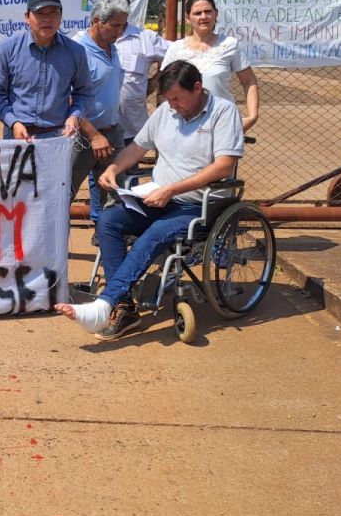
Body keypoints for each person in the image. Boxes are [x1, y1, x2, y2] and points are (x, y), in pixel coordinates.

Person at [55, 60, 244, 340]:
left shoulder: (224, 112)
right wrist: (113, 169)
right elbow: (137, 147)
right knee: (109, 220)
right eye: (167, 100)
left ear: (197, 88)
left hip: (199, 204)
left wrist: (172, 190)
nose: (172, 105)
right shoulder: (166, 112)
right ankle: (124, 306)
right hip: (157, 197)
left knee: (154, 234)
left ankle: (105, 303)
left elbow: (224, 166)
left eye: (178, 98)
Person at [0, 0, 103, 201]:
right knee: (15, 199)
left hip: (57, 139)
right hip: (17, 136)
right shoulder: (8, 49)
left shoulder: (75, 52)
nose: (47, 19)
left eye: (53, 13)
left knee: (53, 200)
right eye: (40, 13)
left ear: (61, 16)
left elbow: (85, 93)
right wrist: (13, 122)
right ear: (27, 17)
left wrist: (74, 116)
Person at [162, 0, 260, 132]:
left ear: (216, 14)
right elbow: (166, 89)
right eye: (197, 13)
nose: (203, 17)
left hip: (221, 123)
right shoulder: (176, 49)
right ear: (187, 18)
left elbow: (249, 81)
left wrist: (252, 116)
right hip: (182, 124)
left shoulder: (229, 45)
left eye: (208, 11)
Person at [73, 0, 130, 217]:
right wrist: (93, 135)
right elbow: (68, 100)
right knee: (64, 190)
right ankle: (51, 246)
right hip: (81, 136)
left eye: (123, 25)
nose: (120, 31)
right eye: (115, 25)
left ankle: (106, 238)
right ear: (97, 21)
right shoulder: (77, 50)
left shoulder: (111, 47)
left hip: (112, 133)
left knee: (117, 192)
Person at [105, 0, 170, 144]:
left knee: (130, 167)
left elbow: (176, 54)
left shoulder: (145, 38)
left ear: (127, 10)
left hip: (132, 129)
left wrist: (155, 80)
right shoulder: (89, 41)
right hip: (100, 130)